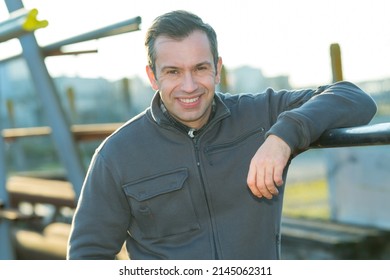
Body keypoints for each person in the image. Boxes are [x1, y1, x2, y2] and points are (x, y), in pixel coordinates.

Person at [67, 10, 377, 260]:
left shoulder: (260, 115)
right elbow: (87, 255)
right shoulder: (117, 155)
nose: (189, 86)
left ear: (217, 69)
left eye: (200, 68)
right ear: (152, 76)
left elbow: (353, 98)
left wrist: (282, 137)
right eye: (173, 71)